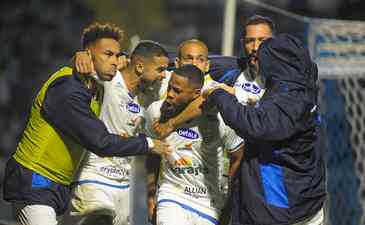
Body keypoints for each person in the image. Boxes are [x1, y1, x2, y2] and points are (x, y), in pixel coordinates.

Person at [2, 23, 171, 225]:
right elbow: (101, 142)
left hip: (59, 186)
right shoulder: (68, 90)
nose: (115, 62)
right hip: (35, 181)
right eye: (108, 55)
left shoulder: (94, 85)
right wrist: (149, 144)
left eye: (117, 56)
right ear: (88, 55)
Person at [203, 34, 326, 225]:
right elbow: (275, 115)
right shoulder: (302, 87)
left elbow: (255, 125)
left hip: (281, 206)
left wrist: (218, 93)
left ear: (274, 63)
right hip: (306, 199)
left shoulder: (288, 100)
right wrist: (237, 94)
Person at [61, 40, 170, 225]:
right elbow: (81, 68)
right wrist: (79, 56)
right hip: (94, 177)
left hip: (124, 184)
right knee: (99, 217)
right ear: (140, 66)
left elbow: (188, 76)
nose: (164, 75)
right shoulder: (108, 82)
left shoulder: (150, 93)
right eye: (160, 70)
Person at [145, 65, 244, 225]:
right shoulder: (156, 112)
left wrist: (228, 198)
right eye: (170, 87)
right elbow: (152, 153)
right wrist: (149, 194)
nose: (169, 94)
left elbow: (238, 156)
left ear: (196, 93)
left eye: (177, 91)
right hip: (172, 193)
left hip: (209, 203)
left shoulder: (221, 120)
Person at [153, 15, 275, 138]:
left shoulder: (287, 77)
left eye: (262, 40)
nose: (255, 47)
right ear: (243, 43)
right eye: (250, 41)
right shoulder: (232, 68)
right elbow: (202, 81)